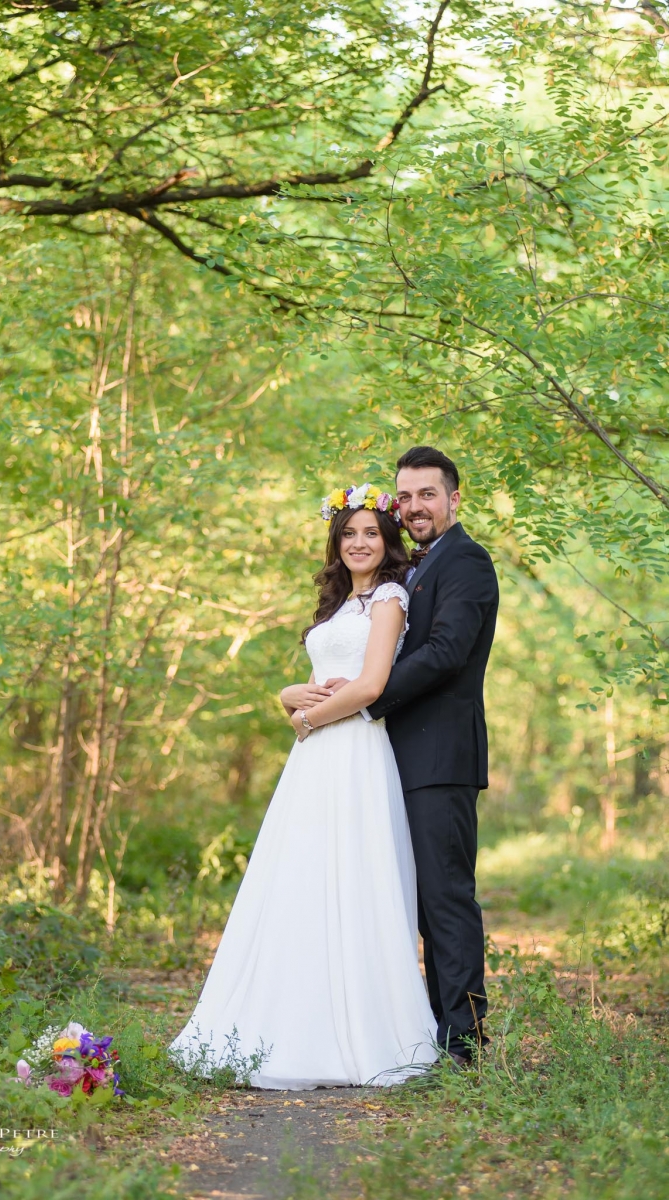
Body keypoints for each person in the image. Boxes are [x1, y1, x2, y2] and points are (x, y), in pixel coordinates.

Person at [170, 483, 438, 1088]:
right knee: (301, 877)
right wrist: (289, 695)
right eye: (349, 533)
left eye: (371, 532)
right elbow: (319, 677)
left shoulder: (390, 599)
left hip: (352, 752)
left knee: (351, 877)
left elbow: (370, 685)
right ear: (335, 542)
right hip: (314, 759)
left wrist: (305, 717)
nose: (360, 543)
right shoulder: (339, 605)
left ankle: (358, 1029)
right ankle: (287, 1017)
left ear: (388, 538)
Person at [313, 447, 499, 1065]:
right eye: (407, 496)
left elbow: (446, 652)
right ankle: (429, 1031)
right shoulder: (417, 569)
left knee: (445, 897)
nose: (415, 506)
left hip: (441, 757)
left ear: (453, 498)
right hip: (397, 759)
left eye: (427, 494)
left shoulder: (466, 560)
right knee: (414, 900)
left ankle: (464, 1044)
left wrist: (366, 698)